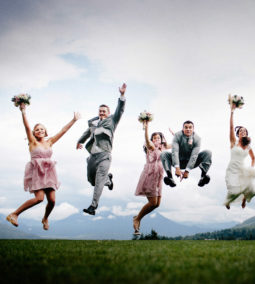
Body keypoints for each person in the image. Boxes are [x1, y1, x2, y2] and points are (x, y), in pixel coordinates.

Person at [6, 103, 80, 230]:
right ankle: (14, 214)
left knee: (52, 201)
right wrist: (23, 111)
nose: (40, 131)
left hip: (49, 172)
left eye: (42, 129)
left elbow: (63, 130)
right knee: (39, 198)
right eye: (37, 129)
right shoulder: (32, 142)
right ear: (34, 133)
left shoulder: (50, 142)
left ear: (45, 131)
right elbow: (27, 127)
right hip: (37, 172)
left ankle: (45, 218)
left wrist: (73, 120)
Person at [77, 83, 126, 215]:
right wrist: (79, 141)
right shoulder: (93, 123)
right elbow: (87, 133)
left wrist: (121, 95)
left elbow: (120, 110)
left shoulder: (112, 121)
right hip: (93, 156)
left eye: (104, 111)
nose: (102, 112)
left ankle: (93, 206)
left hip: (105, 156)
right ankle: (109, 180)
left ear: (108, 113)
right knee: (92, 181)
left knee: (99, 182)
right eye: (100, 111)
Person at [133, 120, 171, 235]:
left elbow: (175, 144)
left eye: (158, 138)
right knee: (153, 202)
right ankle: (137, 219)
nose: (156, 140)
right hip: (150, 176)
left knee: (157, 204)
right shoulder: (150, 147)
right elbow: (147, 139)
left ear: (161, 139)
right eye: (154, 138)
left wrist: (179, 135)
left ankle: (138, 217)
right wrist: (146, 127)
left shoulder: (163, 148)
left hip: (159, 177)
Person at [224, 98, 255, 209]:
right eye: (241, 131)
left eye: (245, 131)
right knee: (233, 189)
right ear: (238, 134)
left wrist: (251, 168)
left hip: (242, 169)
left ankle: (244, 200)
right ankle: (228, 201)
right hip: (232, 168)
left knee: (249, 187)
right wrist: (232, 112)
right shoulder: (234, 142)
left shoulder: (248, 146)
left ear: (247, 134)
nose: (243, 132)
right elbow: (231, 127)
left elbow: (253, 158)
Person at [161, 121, 212, 187]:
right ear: (183, 129)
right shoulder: (177, 136)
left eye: (190, 127)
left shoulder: (197, 139)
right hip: (177, 162)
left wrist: (187, 171)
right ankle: (170, 177)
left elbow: (194, 155)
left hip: (192, 162)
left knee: (208, 152)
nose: (188, 129)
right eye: (186, 127)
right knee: (164, 153)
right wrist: (177, 168)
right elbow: (175, 151)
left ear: (193, 129)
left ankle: (203, 177)